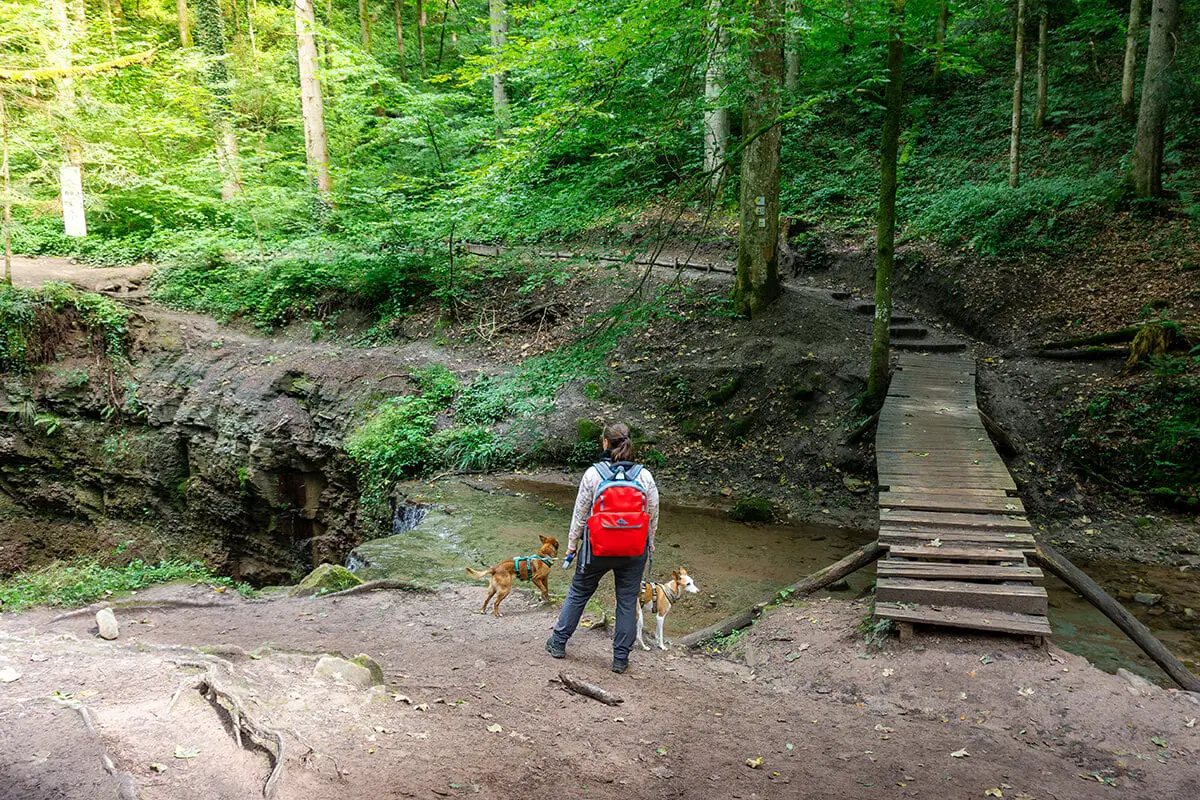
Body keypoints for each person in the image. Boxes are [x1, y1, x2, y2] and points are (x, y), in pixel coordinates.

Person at [545, 422, 659, 673]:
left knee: (578, 593)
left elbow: (579, 514)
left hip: (596, 549)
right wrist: (649, 544)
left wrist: (571, 546)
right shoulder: (645, 476)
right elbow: (652, 515)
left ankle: (558, 643)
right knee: (627, 602)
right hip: (633, 551)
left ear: (605, 443)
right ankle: (620, 660)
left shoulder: (593, 474)